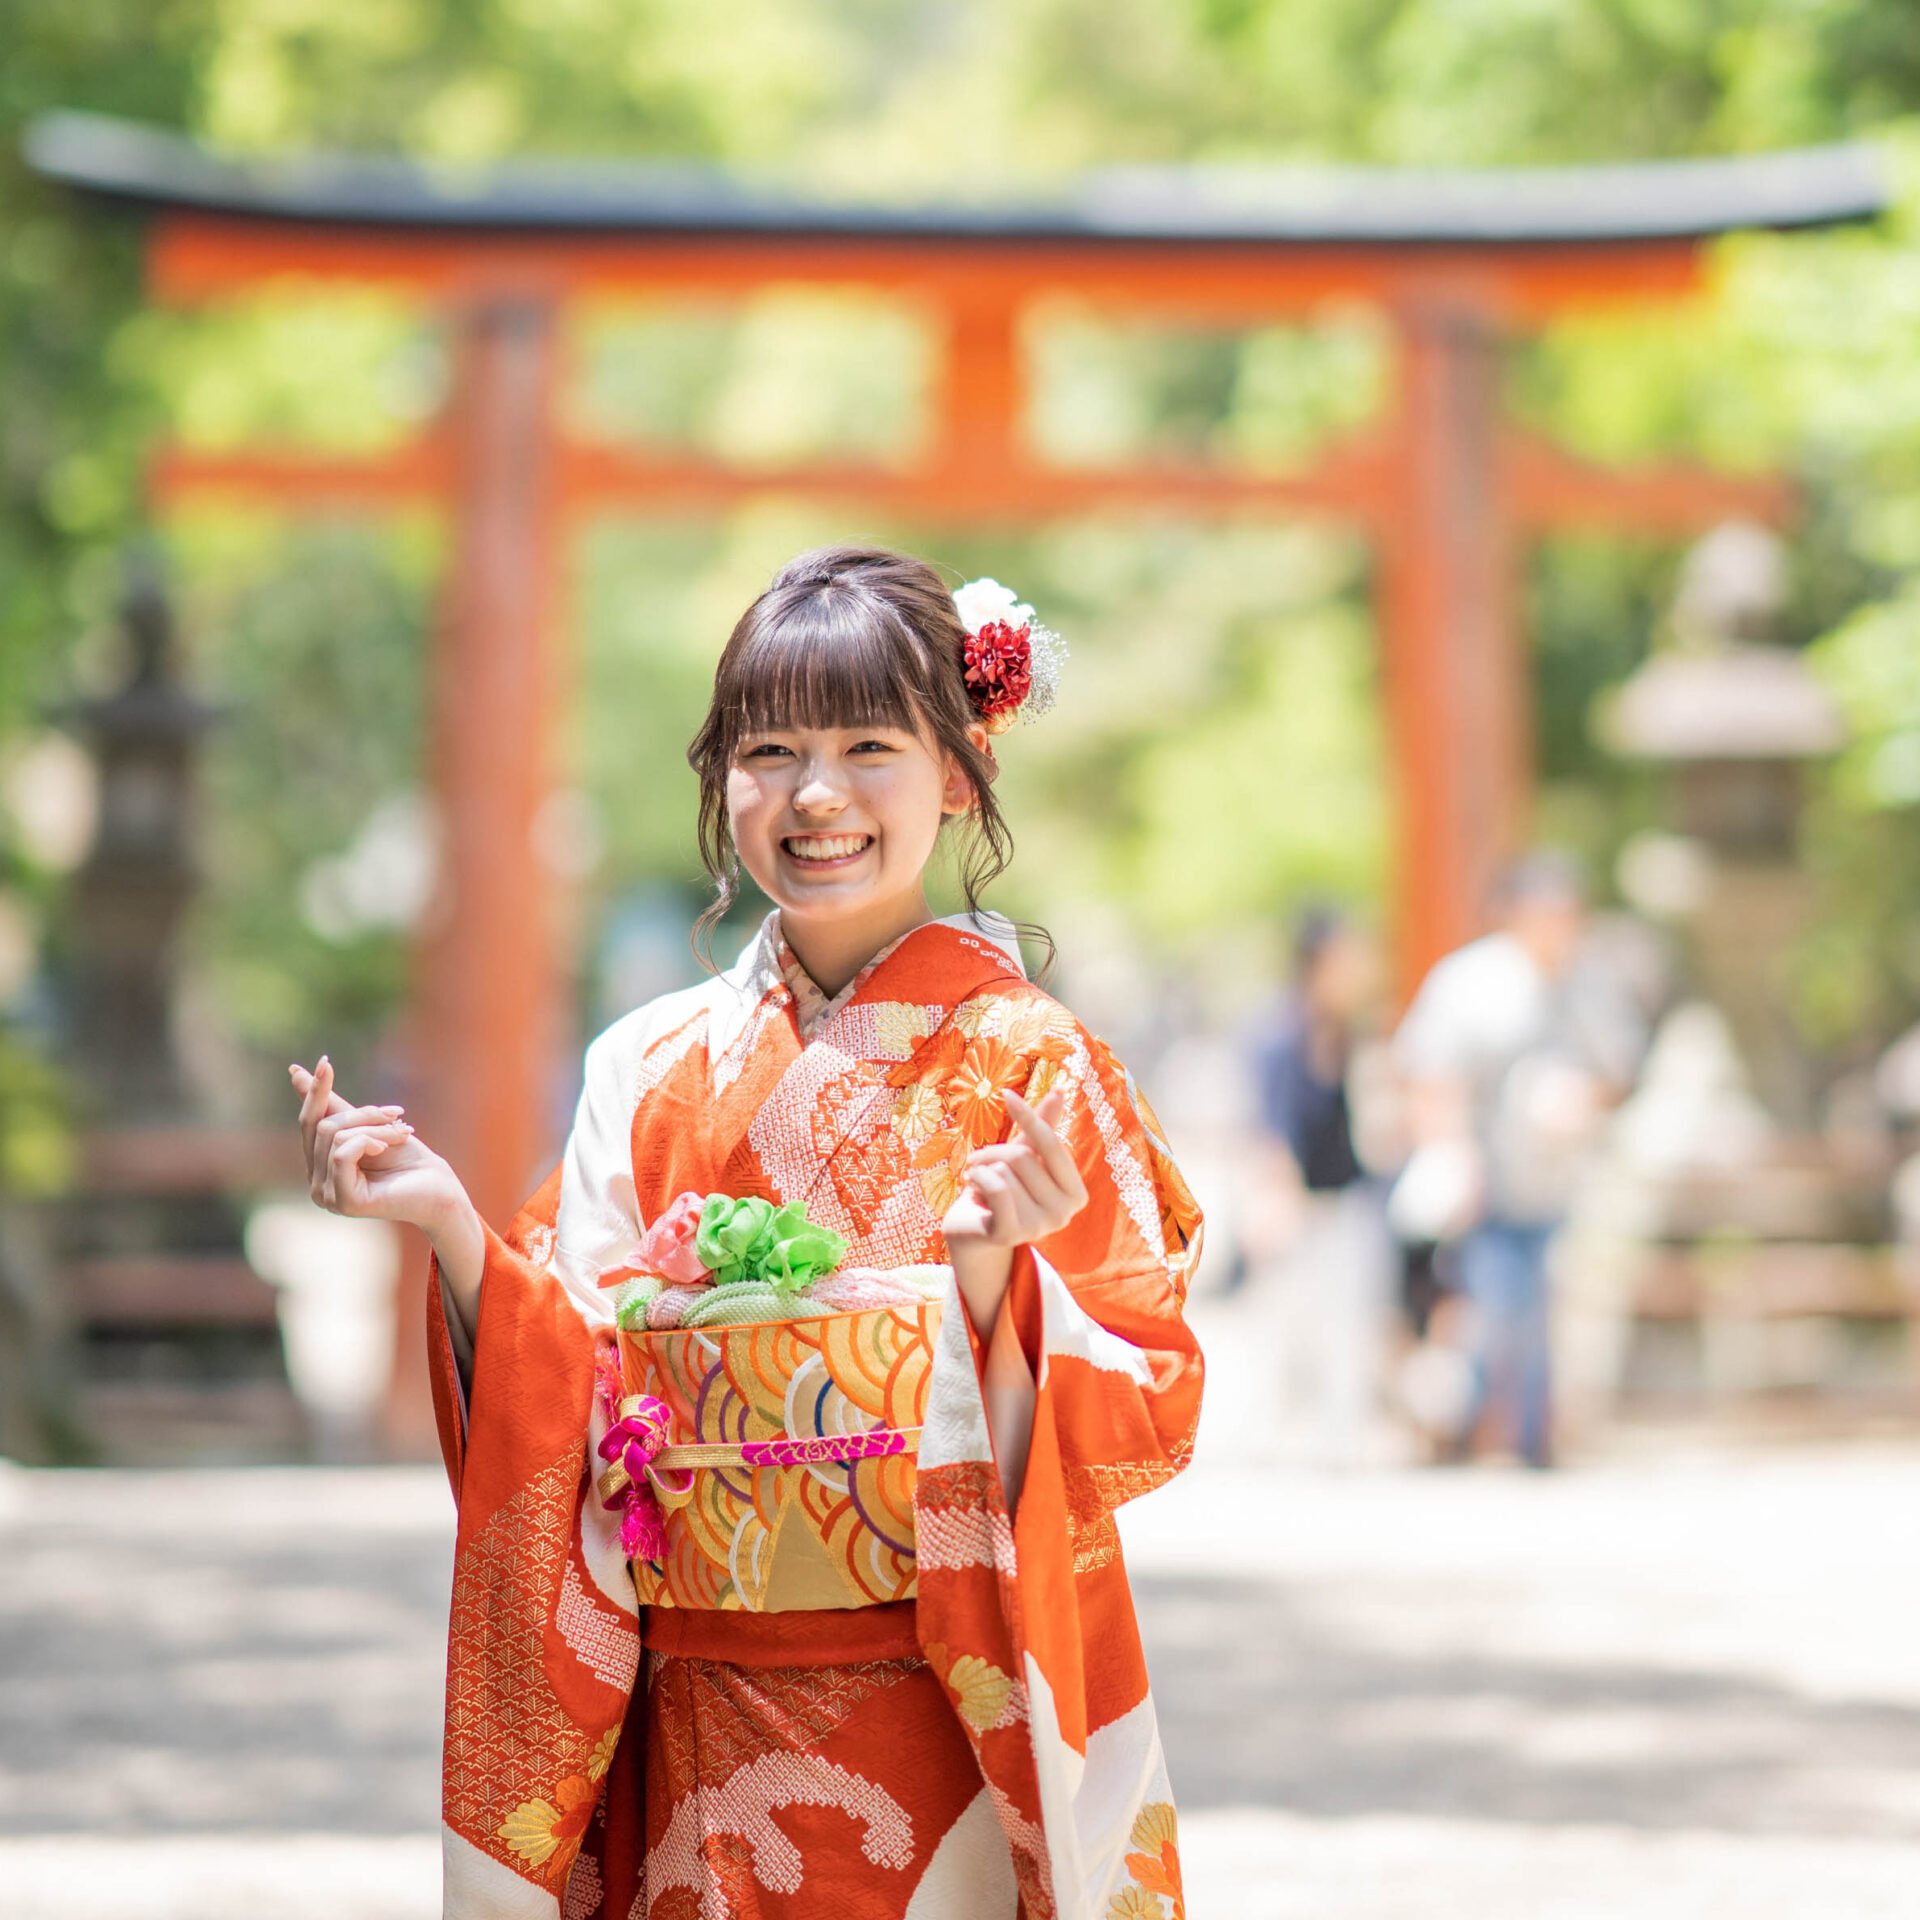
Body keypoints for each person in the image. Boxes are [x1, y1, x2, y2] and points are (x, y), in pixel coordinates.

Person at [290, 548, 1204, 1920]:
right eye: (768, 750)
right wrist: (452, 1229)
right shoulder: (649, 1064)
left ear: (958, 772)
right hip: (697, 1708)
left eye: (869, 747)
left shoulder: (1033, 1063)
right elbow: (572, 1378)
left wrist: (1001, 1288)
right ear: (721, 781)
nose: (816, 794)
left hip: (943, 1707)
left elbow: (1150, 1393)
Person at [1393, 853, 1642, 1468]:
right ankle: (1474, 1430)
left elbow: (1622, 1068)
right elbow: (1432, 1073)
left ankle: (1532, 1438)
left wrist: (1583, 1100)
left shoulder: (1592, 982)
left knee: (1554, 1314)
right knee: (1492, 1309)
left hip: (1566, 1182)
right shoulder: (1469, 982)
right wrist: (1451, 1153)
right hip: (1487, 1180)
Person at [1249, 908, 1394, 1464]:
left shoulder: (1354, 1035)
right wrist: (1273, 1199)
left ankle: (1343, 1436)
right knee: (1290, 1324)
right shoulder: (1281, 1036)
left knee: (1350, 1321)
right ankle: (1281, 1435)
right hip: (1299, 1203)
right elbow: (1272, 1126)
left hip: (1349, 1198)